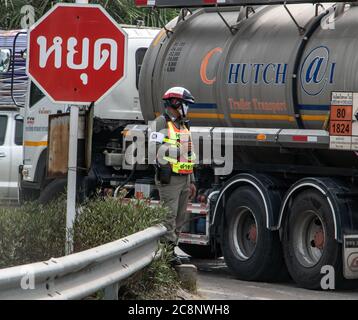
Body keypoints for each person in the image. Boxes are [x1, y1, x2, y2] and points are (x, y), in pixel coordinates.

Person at [149, 87, 197, 266]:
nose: (188, 109)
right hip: (169, 179)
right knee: (169, 217)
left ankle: (171, 250)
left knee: (180, 218)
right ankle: (167, 255)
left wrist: (192, 180)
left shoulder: (184, 125)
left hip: (184, 178)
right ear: (176, 103)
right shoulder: (160, 123)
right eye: (186, 104)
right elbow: (152, 150)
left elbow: (188, 154)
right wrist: (174, 151)